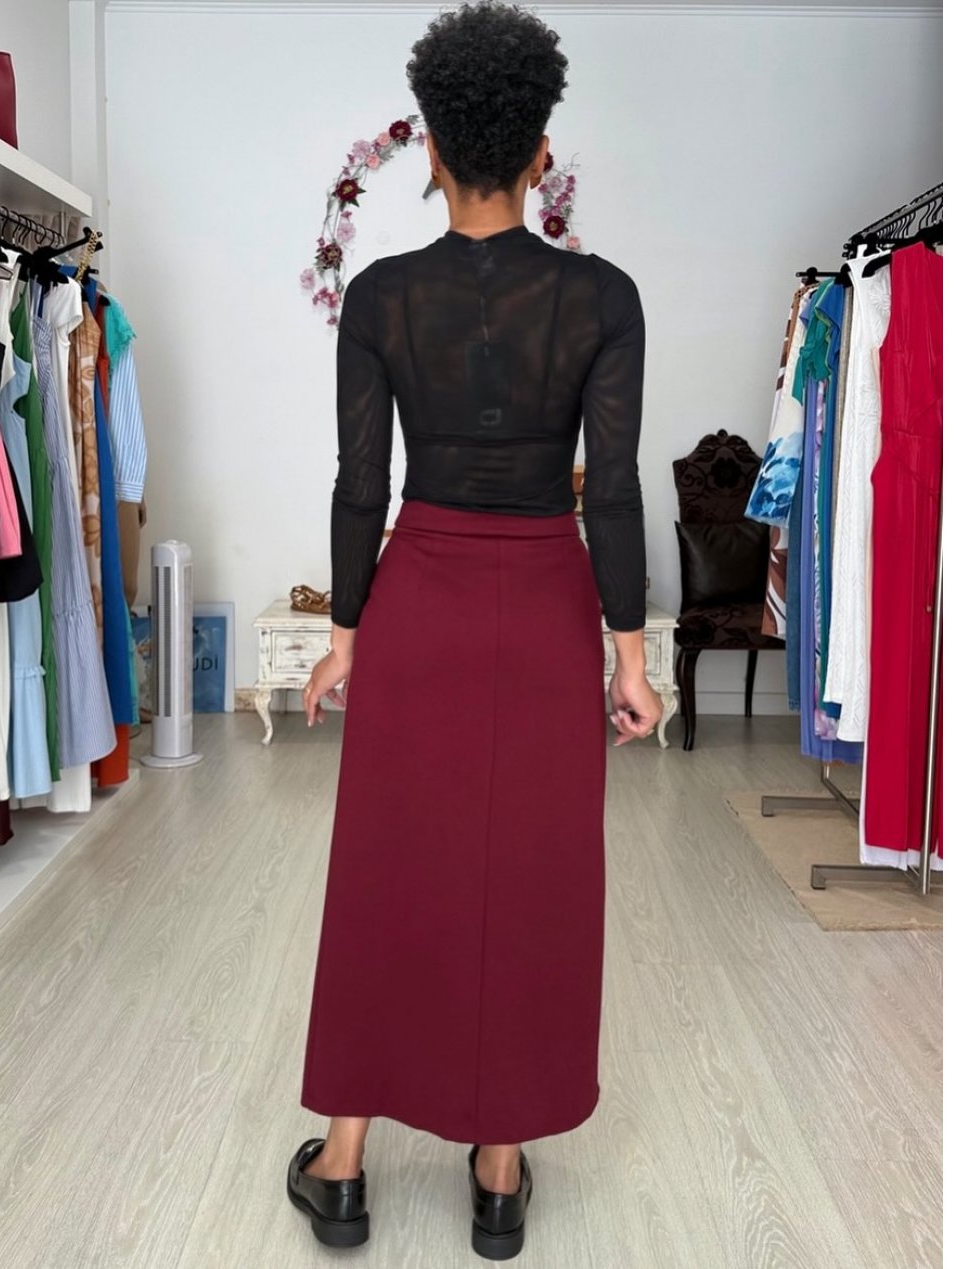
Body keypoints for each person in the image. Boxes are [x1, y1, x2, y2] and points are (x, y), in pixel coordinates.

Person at [286, 0, 662, 1258]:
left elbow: (360, 486)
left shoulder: (382, 297)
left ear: (434, 153)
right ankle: (498, 1176)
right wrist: (630, 661)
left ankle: (343, 1165)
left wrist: (347, 636)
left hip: (421, 602)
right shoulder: (602, 298)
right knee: (535, 876)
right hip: (547, 604)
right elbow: (612, 491)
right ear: (540, 154)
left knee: (384, 870)